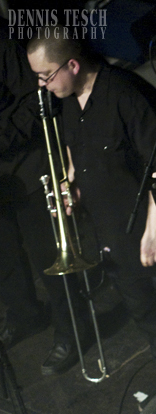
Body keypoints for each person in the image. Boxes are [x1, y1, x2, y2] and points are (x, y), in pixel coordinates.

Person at [26, 29, 156, 377]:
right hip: (115, 239)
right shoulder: (68, 101)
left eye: (46, 75)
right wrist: (71, 184)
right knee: (149, 319)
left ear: (72, 65)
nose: (42, 85)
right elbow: (76, 153)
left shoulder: (127, 94)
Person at [1, 27, 87, 372]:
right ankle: (26, 315)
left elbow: (35, 103)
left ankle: (73, 330)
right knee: (4, 258)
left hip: (27, 168)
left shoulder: (4, 48)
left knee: (48, 257)